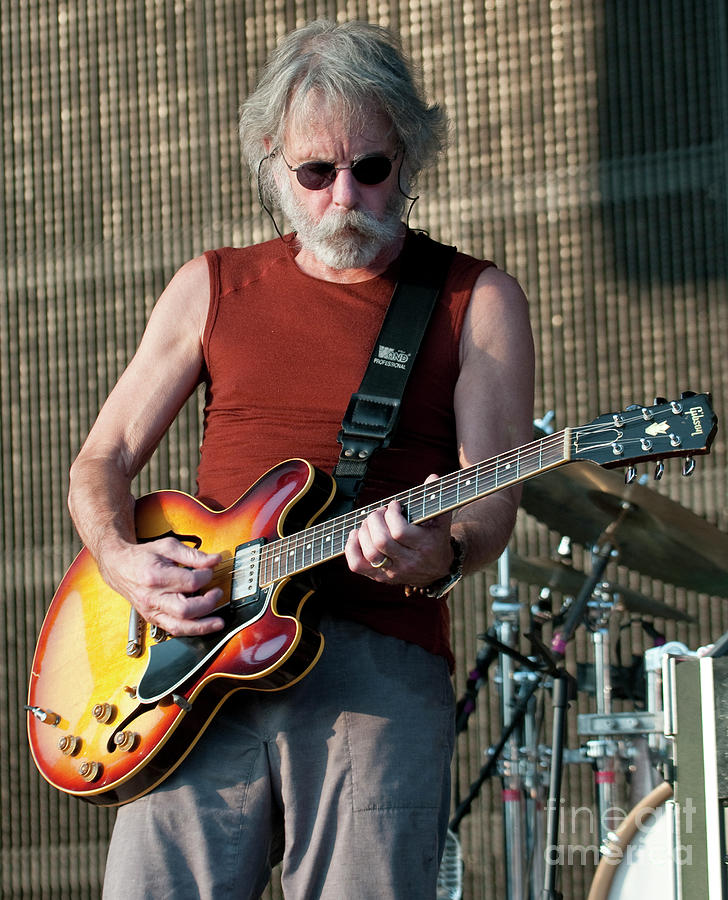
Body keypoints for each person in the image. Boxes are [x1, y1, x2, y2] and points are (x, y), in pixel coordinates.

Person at [68, 19, 534, 899]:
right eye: (316, 173)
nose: (344, 198)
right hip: (193, 664)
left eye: (372, 169)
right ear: (273, 161)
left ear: (411, 157)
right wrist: (124, 565)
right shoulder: (211, 284)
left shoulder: (477, 297)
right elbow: (102, 460)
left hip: (379, 661)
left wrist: (442, 554)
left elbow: (490, 503)